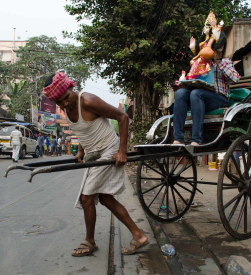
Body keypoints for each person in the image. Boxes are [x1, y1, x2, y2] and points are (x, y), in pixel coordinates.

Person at [43, 72, 148, 256]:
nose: (64, 104)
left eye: (66, 98)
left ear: (71, 88)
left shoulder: (88, 101)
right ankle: (138, 235)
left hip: (109, 148)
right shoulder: (66, 108)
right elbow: (84, 131)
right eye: (59, 102)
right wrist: (82, 151)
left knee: (86, 198)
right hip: (93, 153)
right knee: (105, 198)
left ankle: (89, 241)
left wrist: (122, 151)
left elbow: (123, 118)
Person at [173, 15, 239, 146]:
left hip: (219, 99)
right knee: (180, 94)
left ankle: (196, 140)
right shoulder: (199, 63)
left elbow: (236, 78)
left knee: (196, 94)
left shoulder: (224, 62)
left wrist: (217, 61)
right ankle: (178, 138)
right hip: (197, 97)